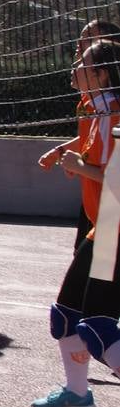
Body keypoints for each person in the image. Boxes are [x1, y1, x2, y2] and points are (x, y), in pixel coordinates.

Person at [29, 38, 120, 407]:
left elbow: (115, 178)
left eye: (83, 62)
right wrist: (71, 157)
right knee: (65, 314)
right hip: (105, 226)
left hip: (116, 229)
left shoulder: (115, 114)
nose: (74, 67)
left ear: (101, 74)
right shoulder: (96, 109)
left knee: (98, 327)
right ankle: (78, 393)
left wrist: (81, 167)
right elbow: (91, 155)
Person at [38, 19, 120, 250]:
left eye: (86, 39)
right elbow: (93, 146)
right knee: (84, 260)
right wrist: (67, 154)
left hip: (111, 222)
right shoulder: (96, 104)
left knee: (87, 263)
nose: (78, 45)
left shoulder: (110, 112)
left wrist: (79, 165)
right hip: (103, 219)